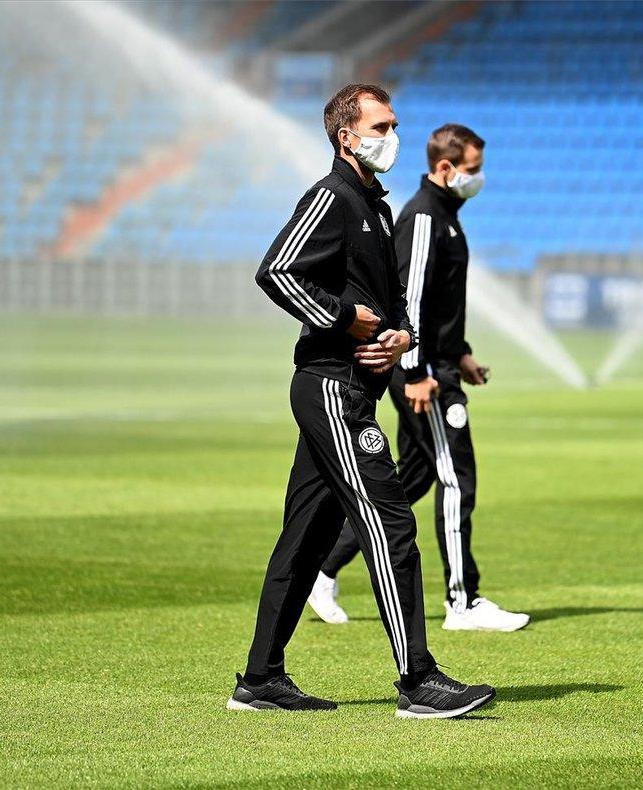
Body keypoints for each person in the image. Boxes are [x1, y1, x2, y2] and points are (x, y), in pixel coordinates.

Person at [232, 85, 495, 719]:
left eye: (395, 123)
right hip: (330, 387)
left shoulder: (374, 205)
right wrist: (349, 321)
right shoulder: (331, 196)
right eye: (381, 125)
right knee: (392, 522)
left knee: (304, 538)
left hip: (353, 386)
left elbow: (393, 301)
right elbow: (277, 271)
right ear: (347, 136)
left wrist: (398, 337)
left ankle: (261, 679)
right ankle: (418, 683)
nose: (392, 135)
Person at [308, 124, 530, 632]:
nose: (479, 178)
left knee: (416, 476)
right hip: (423, 376)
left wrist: (463, 352)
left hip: (439, 366)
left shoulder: (446, 215)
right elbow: (408, 302)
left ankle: (324, 570)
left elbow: (441, 305)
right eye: (473, 169)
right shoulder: (426, 217)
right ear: (446, 167)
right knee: (457, 478)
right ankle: (463, 602)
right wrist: (417, 372)